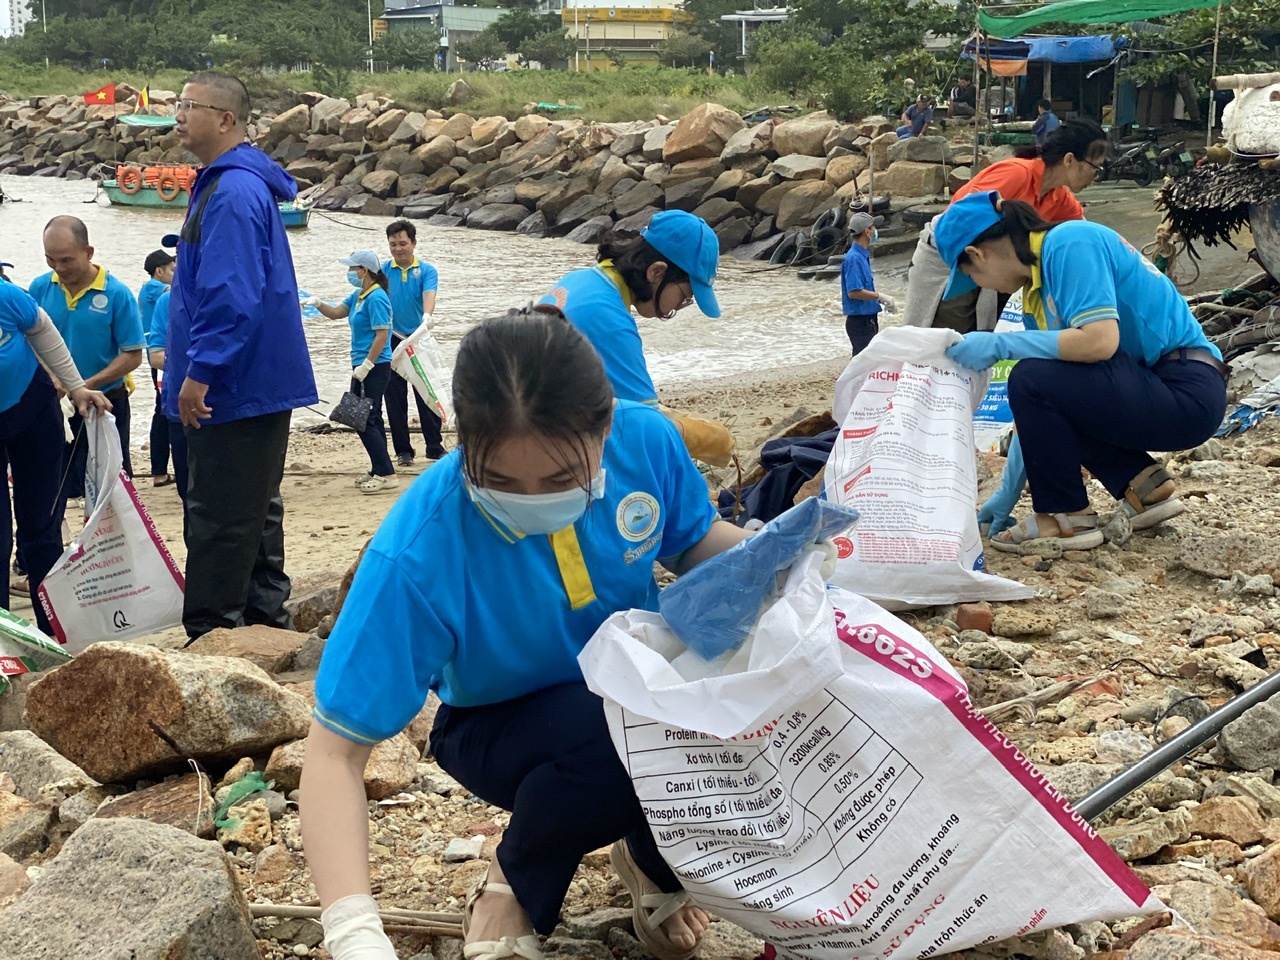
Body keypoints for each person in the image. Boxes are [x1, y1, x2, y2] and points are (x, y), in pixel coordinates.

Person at [303, 305, 751, 960]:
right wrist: (352, 929)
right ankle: (513, 884)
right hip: (494, 721)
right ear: (460, 444)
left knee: (740, 696)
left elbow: (696, 543)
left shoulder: (644, 443)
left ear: (606, 429)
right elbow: (334, 752)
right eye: (502, 482)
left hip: (628, 682)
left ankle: (654, 862)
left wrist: (787, 557)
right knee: (631, 732)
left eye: (564, 479)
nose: (536, 498)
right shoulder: (420, 549)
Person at [936, 191, 1228, 550]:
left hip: (1187, 387)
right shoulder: (1036, 296)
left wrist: (1001, 345)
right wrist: (1007, 492)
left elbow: (1099, 342)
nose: (983, 287)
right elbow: (1043, 408)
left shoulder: (1070, 242)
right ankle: (1144, 484)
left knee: (1030, 376)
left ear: (977, 254)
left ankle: (1065, 517)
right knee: (1043, 382)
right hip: (1155, 389)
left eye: (973, 277)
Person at [166, 70, 318, 640]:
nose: (178, 115)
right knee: (253, 508)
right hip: (255, 380)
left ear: (225, 119)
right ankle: (264, 624)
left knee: (220, 516)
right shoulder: (230, 183)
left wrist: (200, 372)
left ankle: (214, 632)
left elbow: (231, 294)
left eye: (189, 105)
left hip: (235, 382)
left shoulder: (231, 190)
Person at [540, 210, 734, 466]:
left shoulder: (582, 280)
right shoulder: (608, 318)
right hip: (546, 451)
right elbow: (645, 428)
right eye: (685, 297)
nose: (677, 308)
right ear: (656, 272)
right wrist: (714, 440)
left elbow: (626, 403)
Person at [901, 118, 1108, 334]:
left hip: (988, 266)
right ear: (1069, 160)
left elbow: (1087, 236)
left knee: (980, 338)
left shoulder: (1060, 198)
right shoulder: (1016, 173)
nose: (1096, 177)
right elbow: (959, 219)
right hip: (948, 256)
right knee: (942, 336)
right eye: (1096, 169)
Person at [0, 282, 111, 634]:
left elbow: (44, 332)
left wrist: (77, 387)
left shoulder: (6, 296)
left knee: (42, 528)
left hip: (33, 411)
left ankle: (54, 632)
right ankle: (3, 642)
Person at [29, 216, 144, 500]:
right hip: (55, 401)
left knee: (110, 488)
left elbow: (132, 355)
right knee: (53, 485)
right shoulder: (39, 288)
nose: (59, 268)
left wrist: (83, 386)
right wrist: (56, 379)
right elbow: (29, 342)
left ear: (88, 252)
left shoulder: (116, 294)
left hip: (105, 401)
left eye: (66, 260)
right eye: (50, 259)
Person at [311, 252, 399, 495]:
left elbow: (382, 334)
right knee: (373, 417)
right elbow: (337, 312)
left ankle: (388, 475)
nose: (350, 272)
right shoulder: (360, 294)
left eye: (353, 268)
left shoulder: (377, 297)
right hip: (360, 364)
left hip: (374, 365)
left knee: (363, 419)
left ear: (366, 270)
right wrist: (317, 303)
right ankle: (379, 468)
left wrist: (367, 365)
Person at [381, 219, 444, 468]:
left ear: (414, 243)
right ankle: (403, 451)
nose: (398, 248)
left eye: (403, 243)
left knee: (426, 393)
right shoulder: (382, 270)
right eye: (393, 244)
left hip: (418, 336)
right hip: (391, 339)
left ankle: (434, 446)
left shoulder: (427, 270)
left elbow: (429, 294)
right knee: (395, 399)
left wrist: (427, 318)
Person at [145, 242, 191, 542]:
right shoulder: (165, 300)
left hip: (230, 410)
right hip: (180, 403)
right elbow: (155, 355)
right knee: (190, 494)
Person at [139, 249, 176, 488]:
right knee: (162, 411)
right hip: (160, 355)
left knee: (162, 410)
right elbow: (177, 292)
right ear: (159, 271)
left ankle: (160, 469)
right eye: (173, 270)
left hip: (161, 352)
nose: (177, 274)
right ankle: (159, 471)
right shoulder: (154, 287)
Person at [840, 212, 892, 357]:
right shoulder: (854, 258)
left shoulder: (862, 255)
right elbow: (854, 292)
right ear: (867, 231)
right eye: (873, 227)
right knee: (865, 363)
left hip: (867, 319)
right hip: (860, 322)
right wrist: (880, 296)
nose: (875, 230)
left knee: (863, 364)